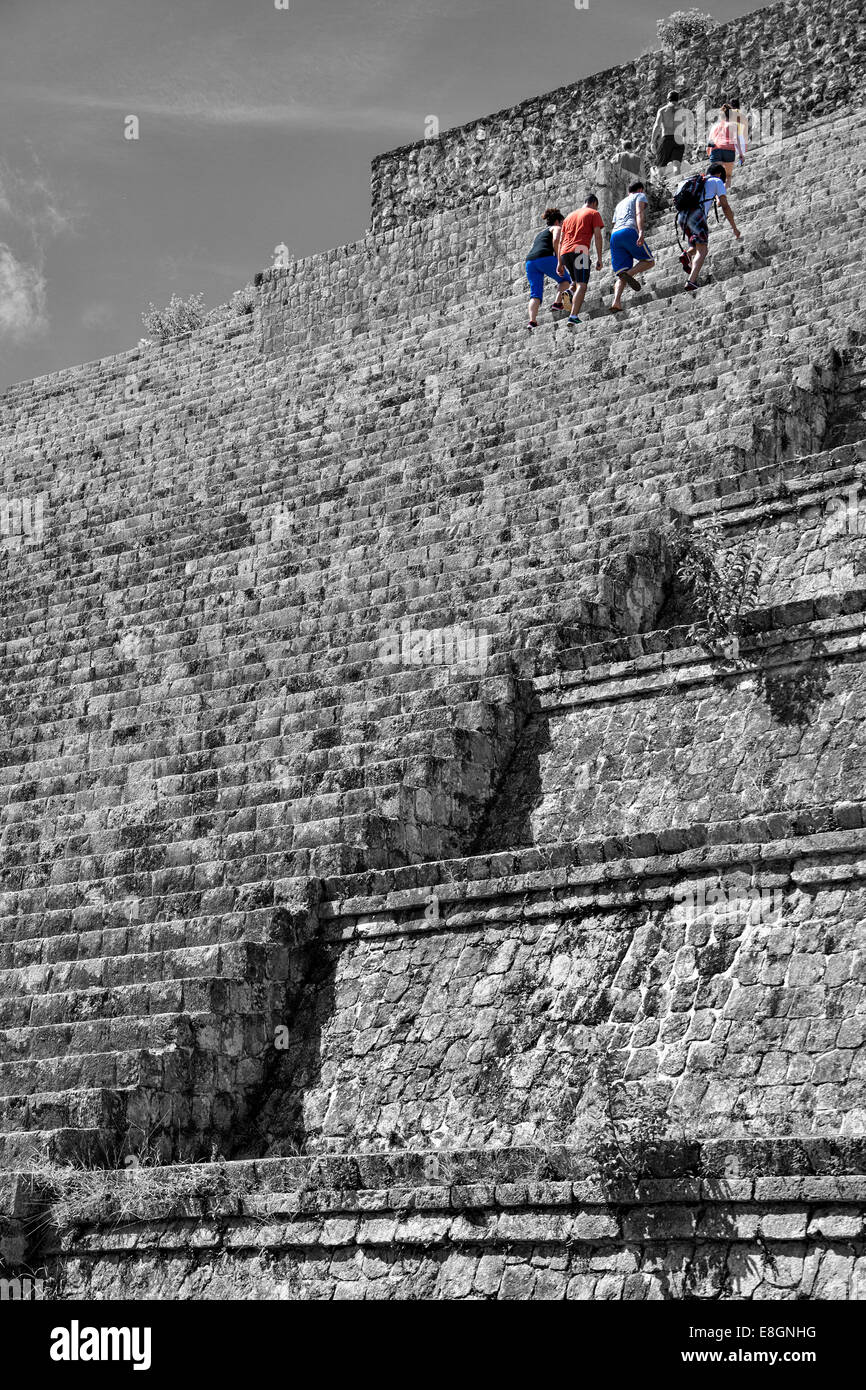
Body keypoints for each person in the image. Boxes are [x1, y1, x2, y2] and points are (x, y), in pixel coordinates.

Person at [676, 162, 741, 294]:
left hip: (681, 216)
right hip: (697, 215)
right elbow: (724, 205)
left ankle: (687, 254)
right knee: (703, 250)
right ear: (719, 174)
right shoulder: (716, 181)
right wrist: (734, 227)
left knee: (696, 245)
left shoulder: (692, 181)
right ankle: (691, 281)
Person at [556, 194, 604, 325]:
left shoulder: (569, 217)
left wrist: (560, 263)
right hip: (580, 250)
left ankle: (569, 291)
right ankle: (573, 316)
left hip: (565, 252)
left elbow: (560, 241)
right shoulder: (593, 213)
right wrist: (599, 258)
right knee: (582, 285)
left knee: (575, 281)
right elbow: (598, 236)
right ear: (594, 203)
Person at [609, 181, 655, 314]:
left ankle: (616, 302)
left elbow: (614, 222)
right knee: (649, 261)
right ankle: (628, 274)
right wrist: (640, 232)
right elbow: (639, 213)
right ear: (640, 189)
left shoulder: (619, 204)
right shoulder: (639, 196)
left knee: (621, 274)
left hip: (615, 236)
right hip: (629, 230)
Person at [524, 208, 570, 330]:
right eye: (562, 223)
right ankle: (557, 303)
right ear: (558, 221)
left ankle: (532, 321)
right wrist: (559, 259)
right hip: (544, 257)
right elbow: (556, 240)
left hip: (530, 262)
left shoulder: (540, 234)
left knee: (535, 293)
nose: (563, 226)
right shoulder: (556, 228)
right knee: (565, 279)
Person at [707, 100, 747, 189]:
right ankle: (725, 192)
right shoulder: (733, 125)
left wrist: (710, 154)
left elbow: (710, 142)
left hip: (716, 150)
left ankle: (718, 199)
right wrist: (741, 154)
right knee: (728, 176)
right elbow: (736, 140)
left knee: (717, 177)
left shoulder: (714, 127)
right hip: (729, 150)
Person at [651, 91, 688, 178]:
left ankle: (659, 186)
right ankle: (677, 183)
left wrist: (652, 142)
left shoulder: (663, 110)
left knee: (661, 166)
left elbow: (656, 126)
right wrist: (685, 142)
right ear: (678, 99)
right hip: (679, 139)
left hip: (666, 139)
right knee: (676, 165)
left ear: (668, 99)